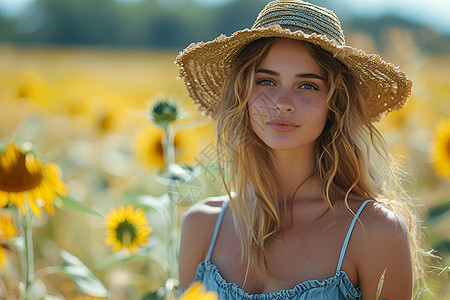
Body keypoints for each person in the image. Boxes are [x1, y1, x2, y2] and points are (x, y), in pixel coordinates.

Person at [176, 1, 427, 299]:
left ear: (335, 104)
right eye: (266, 81)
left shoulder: (374, 232)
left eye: (307, 85)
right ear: (243, 94)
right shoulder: (202, 226)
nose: (282, 102)